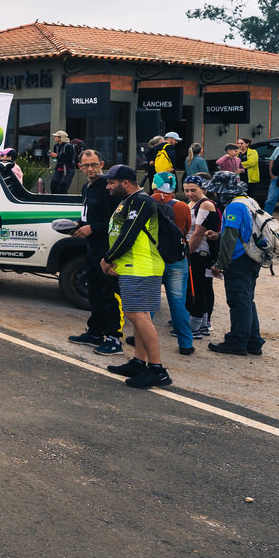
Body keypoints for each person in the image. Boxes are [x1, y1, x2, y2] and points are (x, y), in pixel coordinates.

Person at [98, 165, 172, 388]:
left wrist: (108, 258)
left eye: (111, 183)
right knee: (141, 314)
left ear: (126, 183)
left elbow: (128, 235)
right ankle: (140, 362)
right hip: (133, 265)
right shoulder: (129, 200)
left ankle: (157, 369)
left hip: (141, 266)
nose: (108, 186)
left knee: (135, 313)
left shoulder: (141, 201)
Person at [68, 150, 127, 354]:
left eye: (94, 164)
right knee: (94, 291)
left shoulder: (108, 187)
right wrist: (78, 224)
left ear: (102, 163)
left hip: (107, 248)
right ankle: (95, 333)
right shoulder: (86, 186)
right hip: (91, 248)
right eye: (86, 165)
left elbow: (116, 220)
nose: (90, 169)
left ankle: (114, 338)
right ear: (80, 166)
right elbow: (89, 214)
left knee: (109, 294)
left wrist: (92, 228)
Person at [206, 171, 267, 357]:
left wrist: (220, 263)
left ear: (224, 191)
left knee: (238, 301)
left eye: (217, 192)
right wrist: (219, 235)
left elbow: (231, 238)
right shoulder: (249, 201)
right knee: (247, 300)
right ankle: (253, 342)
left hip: (239, 259)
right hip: (252, 257)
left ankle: (237, 341)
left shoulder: (233, 207)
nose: (216, 196)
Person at [149, 173, 196, 356]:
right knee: (177, 303)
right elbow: (186, 229)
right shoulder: (183, 206)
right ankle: (185, 343)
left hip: (153, 258)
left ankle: (141, 338)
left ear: (154, 184)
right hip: (177, 259)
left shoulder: (146, 202)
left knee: (150, 302)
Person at [183, 173, 220, 340]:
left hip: (199, 252)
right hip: (195, 251)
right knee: (201, 288)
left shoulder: (205, 205)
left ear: (202, 189)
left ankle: (194, 328)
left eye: (193, 190)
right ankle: (203, 325)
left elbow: (198, 233)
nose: (190, 193)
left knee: (197, 290)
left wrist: (185, 254)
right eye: (186, 190)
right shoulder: (193, 203)